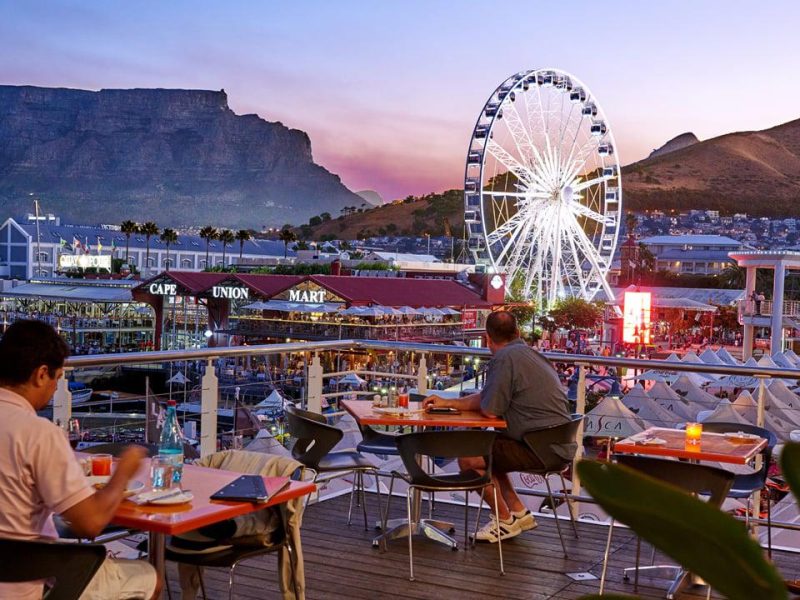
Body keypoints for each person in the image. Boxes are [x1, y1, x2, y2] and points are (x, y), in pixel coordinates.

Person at [0, 320, 160, 600]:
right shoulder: (37, 433)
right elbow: (90, 524)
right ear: (41, 374)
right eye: (57, 378)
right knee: (150, 578)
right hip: (27, 585)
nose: (54, 390)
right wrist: (123, 472)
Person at [423, 312, 571, 543]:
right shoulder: (532, 355)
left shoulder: (503, 359)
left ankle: (504, 520)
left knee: (470, 458)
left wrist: (453, 405)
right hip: (555, 444)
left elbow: (490, 410)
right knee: (490, 451)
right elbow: (489, 399)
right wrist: (450, 402)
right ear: (518, 333)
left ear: (487, 338)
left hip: (537, 447)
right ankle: (518, 512)